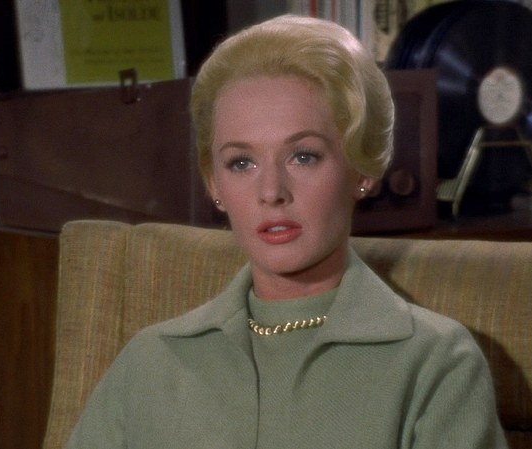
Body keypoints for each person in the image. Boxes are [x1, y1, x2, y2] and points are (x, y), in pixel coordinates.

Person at [66, 14, 508, 449]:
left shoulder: (436, 362)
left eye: (303, 156)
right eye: (242, 162)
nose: (271, 192)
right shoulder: (151, 360)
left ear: (362, 168)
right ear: (214, 183)